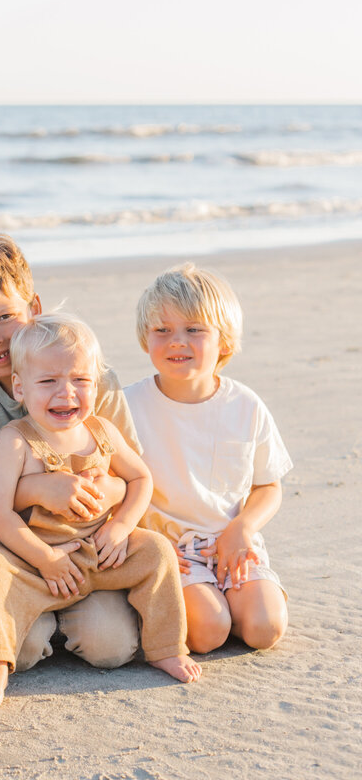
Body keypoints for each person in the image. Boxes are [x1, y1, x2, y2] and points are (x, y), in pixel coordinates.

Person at [0, 314, 200, 710]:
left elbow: (141, 479)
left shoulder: (102, 431)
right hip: (32, 561)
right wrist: (46, 558)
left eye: (80, 380)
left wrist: (122, 527)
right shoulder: (16, 441)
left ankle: (165, 647)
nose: (66, 393)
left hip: (96, 554)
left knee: (157, 550)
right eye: (48, 382)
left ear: (96, 383)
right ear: (20, 387)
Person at [0, 234, 141, 671]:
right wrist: (36, 489)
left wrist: (109, 495)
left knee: (112, 648)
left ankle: (69, 612)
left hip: (88, 545)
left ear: (34, 307)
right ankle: (35, 615)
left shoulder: (92, 379)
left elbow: (134, 474)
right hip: (14, 552)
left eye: (6, 317)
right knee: (22, 654)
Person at [125, 263, 291, 655]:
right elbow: (115, 482)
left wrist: (242, 529)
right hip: (169, 548)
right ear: (145, 339)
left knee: (265, 630)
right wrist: (142, 542)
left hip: (232, 540)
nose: (176, 341)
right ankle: (168, 602)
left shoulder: (245, 405)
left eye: (194, 330)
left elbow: (268, 484)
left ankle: (237, 599)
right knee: (208, 633)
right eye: (162, 330)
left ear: (224, 342)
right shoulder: (128, 406)